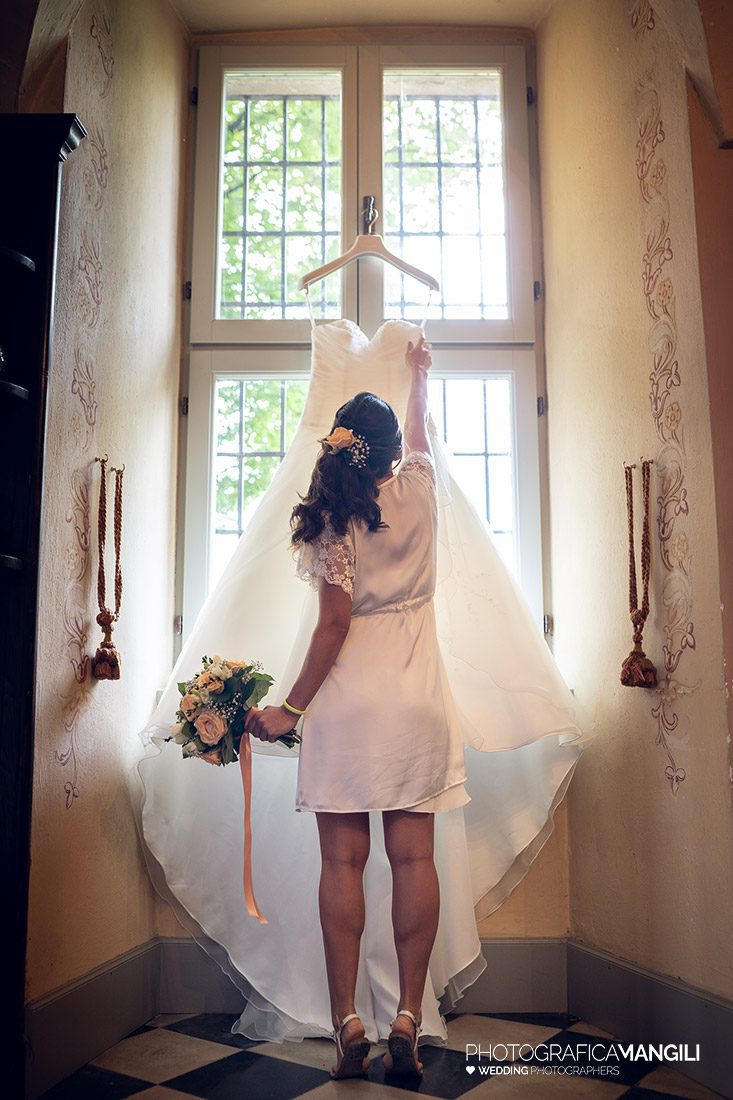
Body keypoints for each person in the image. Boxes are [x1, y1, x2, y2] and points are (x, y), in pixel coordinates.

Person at [244, 334, 465, 1079]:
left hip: (346, 708)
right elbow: (420, 434)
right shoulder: (421, 490)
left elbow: (333, 625)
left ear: (341, 450)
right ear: (387, 451)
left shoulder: (333, 519)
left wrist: (289, 711)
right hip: (415, 703)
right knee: (413, 858)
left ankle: (346, 1022)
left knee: (342, 858)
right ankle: (405, 1011)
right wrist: (420, 377)